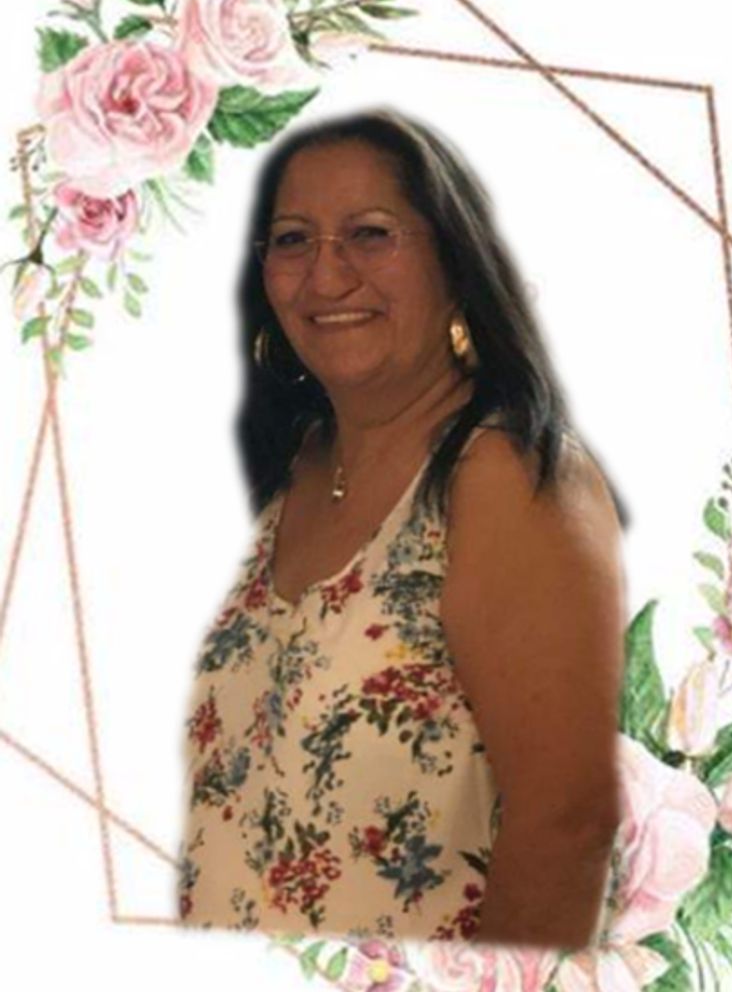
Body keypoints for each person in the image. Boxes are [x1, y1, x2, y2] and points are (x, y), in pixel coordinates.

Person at [176, 107, 629, 948]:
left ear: (454, 262)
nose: (326, 275)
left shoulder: (501, 476)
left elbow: (567, 824)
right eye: (292, 239)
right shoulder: (297, 469)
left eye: (370, 234)